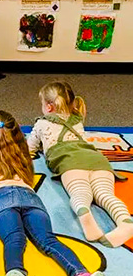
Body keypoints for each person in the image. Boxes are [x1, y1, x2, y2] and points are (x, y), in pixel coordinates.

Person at [0, 110, 106, 276]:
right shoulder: (21, 153)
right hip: (31, 199)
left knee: (14, 239)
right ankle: (81, 274)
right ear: (16, 134)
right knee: (49, 241)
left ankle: (17, 274)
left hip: (2, 200)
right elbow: (29, 177)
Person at [28, 81, 133, 248]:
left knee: (81, 193)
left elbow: (29, 147)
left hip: (70, 163)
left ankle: (85, 213)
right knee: (105, 196)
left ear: (48, 107)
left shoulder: (42, 124)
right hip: (97, 160)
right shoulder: (77, 120)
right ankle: (126, 222)